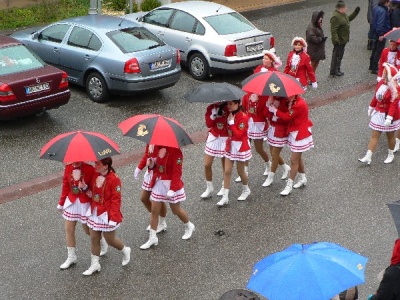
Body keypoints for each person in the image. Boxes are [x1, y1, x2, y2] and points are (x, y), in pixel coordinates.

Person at [234, 50, 281, 183]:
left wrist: (266, 103)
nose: (264, 60)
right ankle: (245, 171)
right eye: (263, 58)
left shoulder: (273, 75)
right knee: (246, 145)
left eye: (267, 58)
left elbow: (265, 108)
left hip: (259, 121)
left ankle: (270, 164)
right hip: (250, 120)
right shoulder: (258, 72)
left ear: (272, 61)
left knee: (259, 149)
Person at [81, 157, 131, 275]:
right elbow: (93, 195)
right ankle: (95, 264)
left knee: (110, 240)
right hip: (95, 212)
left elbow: (116, 200)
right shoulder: (95, 175)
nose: (95, 165)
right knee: (94, 238)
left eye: (98, 163)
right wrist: (85, 188)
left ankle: (125, 249)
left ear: (105, 166)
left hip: (107, 215)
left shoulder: (114, 180)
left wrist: (113, 218)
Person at [140, 146, 195, 249]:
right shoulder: (158, 147)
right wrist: (151, 165)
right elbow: (157, 166)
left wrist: (173, 189)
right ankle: (152, 237)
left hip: (171, 184)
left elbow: (177, 172)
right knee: (154, 210)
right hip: (159, 183)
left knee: (176, 210)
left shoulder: (176, 152)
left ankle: (189, 225)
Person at [57, 161, 108, 270]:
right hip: (72, 201)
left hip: (84, 203)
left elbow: (95, 190)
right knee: (69, 229)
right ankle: (71, 257)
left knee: (87, 231)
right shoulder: (68, 168)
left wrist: (85, 188)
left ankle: (101, 240)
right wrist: (61, 203)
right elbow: (65, 186)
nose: (74, 162)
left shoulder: (89, 169)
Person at [267, 94, 314, 196]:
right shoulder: (292, 101)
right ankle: (302, 178)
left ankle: (289, 185)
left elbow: (287, 117)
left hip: (300, 134)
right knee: (297, 158)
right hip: (294, 132)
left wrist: (274, 110)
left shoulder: (299, 104)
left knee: (293, 160)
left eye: (289, 95)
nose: (287, 97)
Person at [358, 63, 400, 165]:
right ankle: (368, 156)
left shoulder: (395, 88)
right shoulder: (381, 83)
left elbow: (393, 105)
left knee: (390, 137)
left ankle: (390, 154)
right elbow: (376, 96)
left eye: (385, 73)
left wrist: (389, 117)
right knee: (374, 135)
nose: (383, 75)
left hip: (389, 116)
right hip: (379, 113)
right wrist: (371, 107)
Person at [217, 99, 252, 206]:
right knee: (227, 171)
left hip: (240, 146)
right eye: (228, 104)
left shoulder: (243, 117)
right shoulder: (229, 115)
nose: (229, 106)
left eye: (231, 104)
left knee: (240, 172)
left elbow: (239, 135)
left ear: (237, 104)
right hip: (231, 146)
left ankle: (246, 189)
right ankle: (225, 197)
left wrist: (231, 123)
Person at [134, 144, 168, 233]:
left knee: (158, 200)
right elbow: (147, 154)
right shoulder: (151, 139)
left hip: (160, 174)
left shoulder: (164, 143)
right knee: (144, 198)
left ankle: (162, 222)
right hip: (150, 172)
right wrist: (139, 168)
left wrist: (153, 162)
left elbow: (164, 161)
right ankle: (155, 217)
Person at [200, 102, 229, 199]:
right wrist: (213, 115)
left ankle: (224, 186)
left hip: (225, 137)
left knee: (225, 165)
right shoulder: (211, 108)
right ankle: (209, 187)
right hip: (214, 136)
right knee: (207, 164)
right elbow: (208, 124)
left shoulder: (229, 106)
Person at [262, 96, 291, 187]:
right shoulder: (273, 98)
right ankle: (285, 167)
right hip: (272, 129)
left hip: (281, 130)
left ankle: (271, 177)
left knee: (274, 154)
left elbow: (287, 118)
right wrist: (268, 105)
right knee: (273, 153)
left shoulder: (287, 101)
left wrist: (275, 112)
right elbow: (266, 115)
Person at [241, 92, 271, 180]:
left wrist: (256, 102)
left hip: (258, 125)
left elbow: (266, 114)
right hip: (249, 123)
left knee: (259, 149)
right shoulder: (246, 96)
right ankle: (244, 171)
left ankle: (268, 164)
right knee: (246, 148)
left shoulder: (264, 97)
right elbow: (243, 108)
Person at [330, 1, 361, 77]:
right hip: (339, 41)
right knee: (337, 56)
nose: (346, 8)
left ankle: (336, 69)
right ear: (340, 8)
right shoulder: (336, 17)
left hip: (343, 40)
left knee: (339, 55)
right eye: (344, 7)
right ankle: (334, 70)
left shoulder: (342, 15)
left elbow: (348, 19)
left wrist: (355, 12)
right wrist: (336, 40)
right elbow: (333, 30)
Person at [369, 0, 391, 75]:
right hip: (381, 33)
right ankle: (375, 68)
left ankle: (371, 65)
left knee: (374, 49)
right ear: (386, 2)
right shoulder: (383, 11)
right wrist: (381, 34)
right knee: (378, 50)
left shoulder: (376, 7)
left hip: (375, 32)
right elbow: (380, 23)